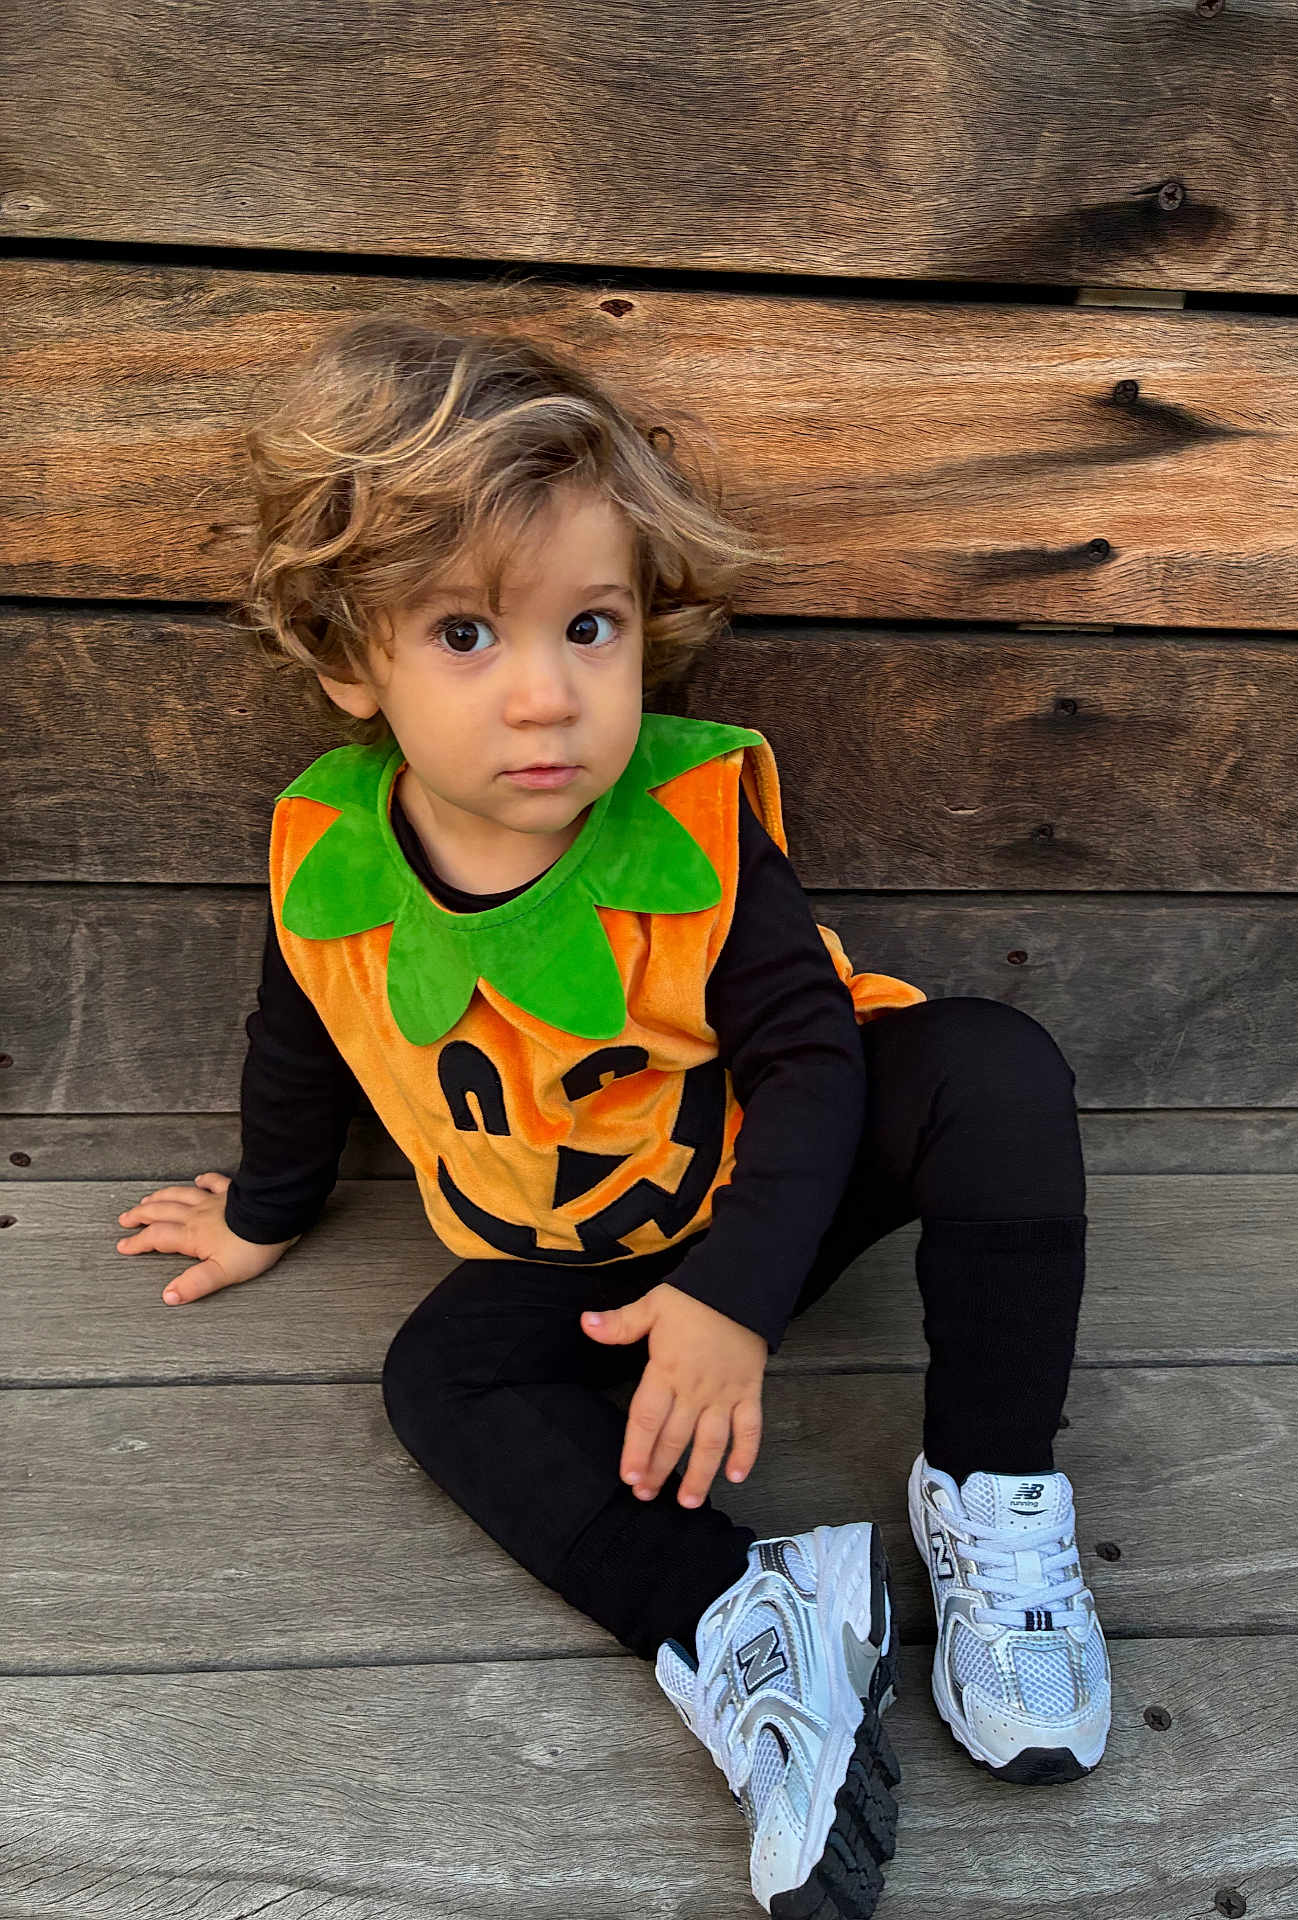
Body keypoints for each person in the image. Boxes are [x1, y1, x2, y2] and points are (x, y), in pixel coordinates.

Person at [114, 315, 1110, 1919]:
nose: (545, 699)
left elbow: (811, 1065)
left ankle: (991, 1497)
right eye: (464, 636)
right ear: (344, 657)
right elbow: (300, 1024)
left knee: (992, 1066)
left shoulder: (695, 832)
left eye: (590, 628)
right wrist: (264, 1207)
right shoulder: (325, 855)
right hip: (569, 1245)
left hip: (767, 1186)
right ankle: (749, 1622)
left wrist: (734, 1293)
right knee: (437, 1377)